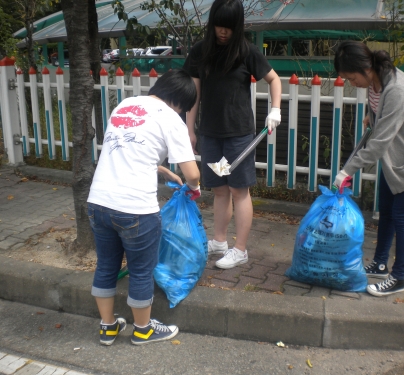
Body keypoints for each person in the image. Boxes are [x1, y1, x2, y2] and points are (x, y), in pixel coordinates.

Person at [87, 69, 201, 346]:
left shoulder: (126, 105)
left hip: (98, 202)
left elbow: (128, 149)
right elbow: (193, 174)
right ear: (180, 103)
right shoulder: (171, 119)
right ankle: (143, 329)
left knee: (106, 266)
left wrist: (161, 169)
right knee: (140, 270)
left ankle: (108, 327)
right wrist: (195, 189)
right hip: (136, 209)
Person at [333, 41, 404, 297]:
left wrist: (347, 171)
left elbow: (378, 145)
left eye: (350, 77)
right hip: (396, 155)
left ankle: (398, 277)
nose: (350, 82)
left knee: (401, 216)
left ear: (365, 67)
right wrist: (372, 115)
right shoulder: (375, 80)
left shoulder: (397, 89)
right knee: (386, 211)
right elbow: (378, 104)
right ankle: (380, 264)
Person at [183, 0, 282, 269]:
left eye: (228, 27)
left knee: (239, 191)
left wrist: (275, 109)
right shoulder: (201, 51)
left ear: (237, 26)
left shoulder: (246, 52)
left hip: (238, 136)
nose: (222, 32)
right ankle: (219, 241)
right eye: (218, 25)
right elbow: (195, 93)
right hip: (211, 134)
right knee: (220, 190)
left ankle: (240, 249)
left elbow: (274, 79)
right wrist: (190, 129)